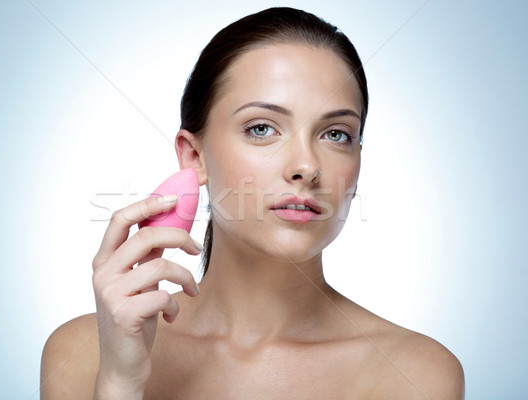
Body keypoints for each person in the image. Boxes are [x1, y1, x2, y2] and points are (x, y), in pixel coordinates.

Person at [40, 7, 464, 399]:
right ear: (194, 157)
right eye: (262, 128)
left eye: (336, 134)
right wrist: (120, 383)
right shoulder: (84, 356)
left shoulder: (417, 374)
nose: (305, 166)